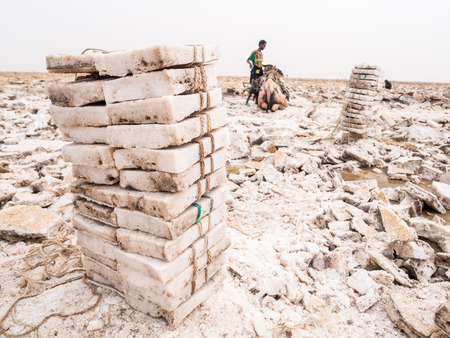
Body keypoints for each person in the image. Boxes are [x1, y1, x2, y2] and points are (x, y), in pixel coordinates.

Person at [245, 40, 269, 106]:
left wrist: (267, 65)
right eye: (264, 45)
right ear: (261, 44)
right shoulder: (255, 52)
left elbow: (260, 64)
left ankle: (256, 102)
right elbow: (248, 59)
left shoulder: (261, 54)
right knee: (254, 86)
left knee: (260, 85)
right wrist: (250, 64)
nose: (264, 47)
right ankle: (246, 102)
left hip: (260, 70)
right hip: (255, 70)